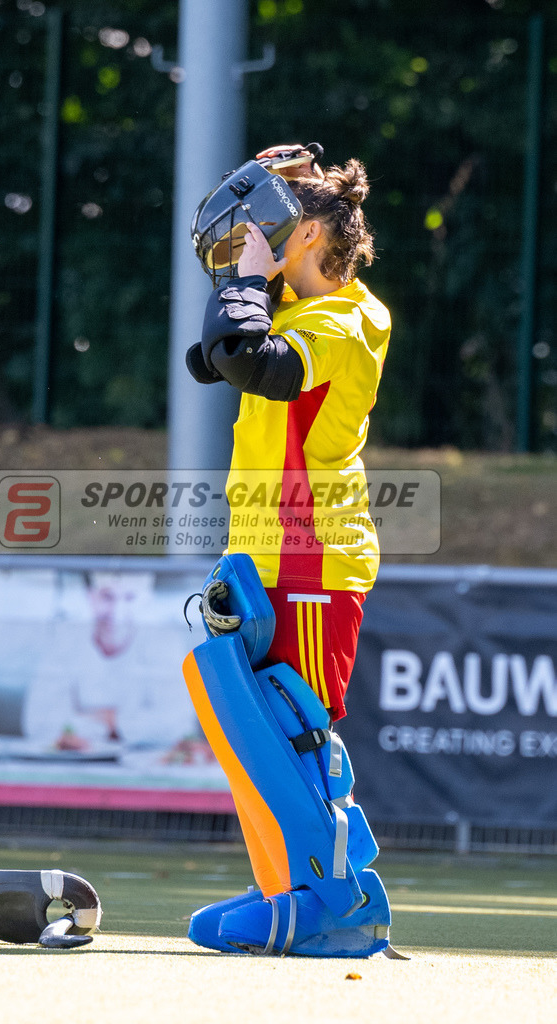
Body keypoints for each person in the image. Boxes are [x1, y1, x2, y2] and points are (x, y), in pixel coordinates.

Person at [188, 144, 391, 724]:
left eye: (273, 224)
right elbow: (210, 357)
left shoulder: (346, 321)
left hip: (311, 563)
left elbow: (247, 360)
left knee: (299, 746)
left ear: (305, 236)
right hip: (266, 557)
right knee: (262, 754)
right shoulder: (296, 311)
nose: (256, 234)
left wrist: (250, 279)